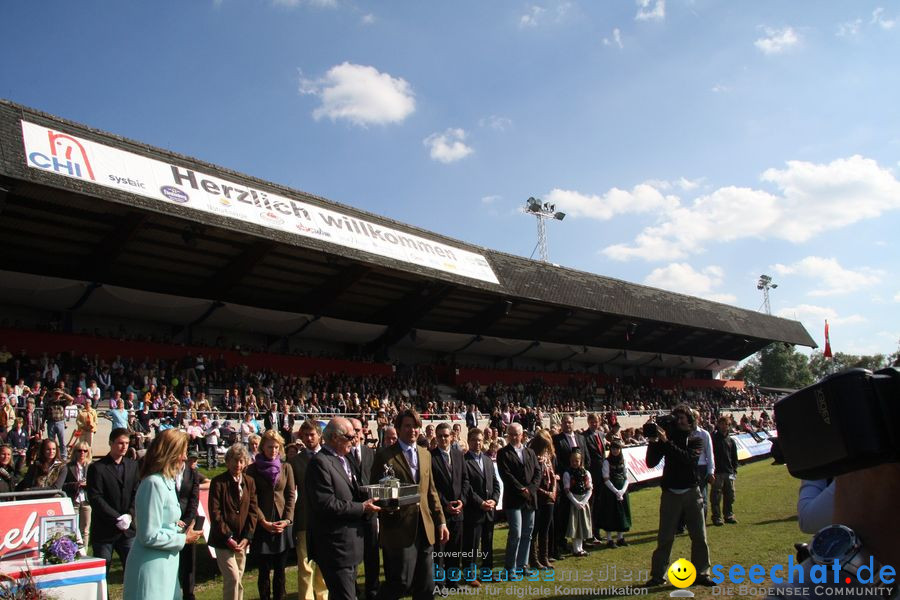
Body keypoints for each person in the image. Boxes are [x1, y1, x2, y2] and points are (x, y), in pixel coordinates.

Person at [372, 408, 448, 600]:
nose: (412, 430)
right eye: (407, 426)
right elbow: (377, 492)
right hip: (399, 529)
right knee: (401, 583)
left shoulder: (426, 454)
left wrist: (441, 521)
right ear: (398, 428)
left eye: (415, 426)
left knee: (426, 585)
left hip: (425, 527)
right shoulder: (384, 456)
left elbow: (431, 491)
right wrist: (389, 504)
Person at [306, 417, 382, 600]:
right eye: (350, 436)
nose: (355, 439)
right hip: (334, 547)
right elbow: (326, 504)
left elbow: (355, 490)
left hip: (350, 545)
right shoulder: (320, 463)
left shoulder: (345, 459)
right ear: (335, 438)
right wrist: (362, 507)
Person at [122, 429, 203, 600]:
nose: (185, 458)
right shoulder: (153, 483)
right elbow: (148, 535)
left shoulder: (166, 481)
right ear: (171, 453)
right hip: (151, 568)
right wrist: (184, 539)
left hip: (166, 565)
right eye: (182, 452)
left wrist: (178, 528)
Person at [643, 405, 714, 587]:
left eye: (683, 418)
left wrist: (666, 442)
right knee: (665, 537)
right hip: (671, 494)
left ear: (690, 420)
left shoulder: (695, 439)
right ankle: (658, 575)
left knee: (699, 535)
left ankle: (701, 573)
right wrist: (653, 440)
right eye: (677, 418)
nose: (680, 421)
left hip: (691, 491)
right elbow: (651, 463)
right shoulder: (666, 439)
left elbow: (688, 459)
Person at [246, 430, 295, 600]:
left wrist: (287, 519)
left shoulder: (286, 467)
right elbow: (251, 499)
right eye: (269, 447)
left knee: (280, 569)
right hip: (262, 524)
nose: (273, 450)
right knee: (264, 570)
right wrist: (262, 521)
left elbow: (290, 496)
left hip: (282, 524)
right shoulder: (252, 470)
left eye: (276, 447)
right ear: (262, 447)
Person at [87, 427, 141, 575]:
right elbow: (95, 497)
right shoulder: (97, 468)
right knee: (102, 574)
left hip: (128, 530)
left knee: (133, 571)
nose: (124, 447)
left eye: (127, 443)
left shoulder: (133, 465)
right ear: (111, 443)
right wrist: (116, 518)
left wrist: (130, 515)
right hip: (105, 530)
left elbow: (137, 492)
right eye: (120, 443)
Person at [209, 444, 258, 600]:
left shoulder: (249, 481)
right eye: (234, 461)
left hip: (242, 540)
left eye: (241, 461)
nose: (238, 465)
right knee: (233, 578)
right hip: (223, 540)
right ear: (227, 461)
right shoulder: (218, 482)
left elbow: (253, 510)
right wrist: (227, 537)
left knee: (238, 580)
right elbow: (215, 513)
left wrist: (247, 536)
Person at [288, 421, 328, 600]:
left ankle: (323, 596)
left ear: (320, 435)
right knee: (304, 565)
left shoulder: (330, 456)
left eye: (312, 434)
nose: (309, 438)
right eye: (306, 435)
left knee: (323, 563)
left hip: (327, 518)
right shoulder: (295, 461)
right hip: (304, 518)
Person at [497, 422, 541, 576]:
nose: (514, 437)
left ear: (522, 435)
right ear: (507, 435)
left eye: (516, 434)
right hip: (513, 499)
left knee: (527, 533)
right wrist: (521, 489)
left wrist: (531, 489)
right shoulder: (503, 453)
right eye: (511, 434)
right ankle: (510, 568)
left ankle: (523, 565)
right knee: (515, 532)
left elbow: (537, 472)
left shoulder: (530, 452)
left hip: (530, 498)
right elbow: (506, 475)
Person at [463, 427, 500, 584]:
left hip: (489, 510)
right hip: (474, 510)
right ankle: (469, 574)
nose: (477, 443)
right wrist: (481, 503)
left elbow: (495, 482)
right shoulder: (463, 461)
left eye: (479, 440)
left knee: (487, 543)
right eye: (474, 440)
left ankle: (486, 572)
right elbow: (467, 487)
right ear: (469, 441)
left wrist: (494, 500)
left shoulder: (487, 460)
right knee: (471, 545)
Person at [348, 418, 379, 600]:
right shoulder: (342, 455)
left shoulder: (370, 453)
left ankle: (372, 592)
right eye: (352, 431)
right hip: (352, 513)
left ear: (363, 431)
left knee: (372, 555)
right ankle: (352, 590)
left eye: (358, 430)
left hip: (371, 513)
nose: (355, 434)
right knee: (352, 558)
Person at [552, 415, 590, 556]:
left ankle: (581, 541)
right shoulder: (557, 439)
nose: (568, 424)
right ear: (561, 423)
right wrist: (567, 473)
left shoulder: (581, 438)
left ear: (573, 423)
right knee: (565, 514)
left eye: (570, 422)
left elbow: (586, 457)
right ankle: (561, 543)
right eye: (565, 422)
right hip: (566, 481)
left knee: (581, 513)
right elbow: (557, 461)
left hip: (581, 481)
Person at [176, 451, 206, 600]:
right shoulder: (164, 472)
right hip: (170, 524)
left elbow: (194, 499)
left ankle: (189, 594)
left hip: (188, 523)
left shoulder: (192, 473)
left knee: (189, 563)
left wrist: (187, 522)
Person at [528, 430, 556, 570]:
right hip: (539, 497)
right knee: (536, 530)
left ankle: (544, 557)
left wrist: (553, 491)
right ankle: (534, 559)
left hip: (550, 497)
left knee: (545, 529)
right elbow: (533, 481)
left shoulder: (548, 457)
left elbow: (553, 475)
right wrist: (547, 493)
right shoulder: (533, 457)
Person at [597, 440, 631, 547]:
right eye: (613, 449)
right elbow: (606, 478)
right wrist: (616, 491)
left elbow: (626, 477)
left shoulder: (623, 460)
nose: (615, 451)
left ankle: (620, 538)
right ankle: (609, 539)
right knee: (610, 514)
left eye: (617, 448)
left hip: (622, 490)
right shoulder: (607, 462)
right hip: (610, 491)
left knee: (621, 513)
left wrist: (622, 491)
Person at [562, 449, 592, 556]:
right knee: (575, 525)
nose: (575, 463)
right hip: (573, 501)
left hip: (583, 500)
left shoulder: (586, 473)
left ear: (580, 461)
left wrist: (584, 501)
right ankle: (576, 548)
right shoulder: (567, 473)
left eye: (577, 461)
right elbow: (567, 490)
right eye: (573, 461)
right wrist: (576, 502)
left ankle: (580, 548)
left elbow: (589, 488)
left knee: (582, 524)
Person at [710, 415, 738, 526]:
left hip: (729, 472)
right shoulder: (713, 439)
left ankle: (729, 515)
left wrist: (734, 470)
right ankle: (716, 517)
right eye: (722, 424)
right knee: (716, 496)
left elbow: (734, 457)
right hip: (717, 472)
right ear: (718, 425)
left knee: (730, 496)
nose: (724, 426)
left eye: (726, 424)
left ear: (729, 426)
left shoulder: (731, 440)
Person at [63, 441, 92, 548]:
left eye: (85, 451)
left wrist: (87, 484)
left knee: (85, 529)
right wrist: (76, 484)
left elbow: (96, 484)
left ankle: (84, 552)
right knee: (72, 528)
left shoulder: (91, 466)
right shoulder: (69, 466)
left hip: (86, 501)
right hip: (74, 500)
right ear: (75, 452)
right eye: (79, 450)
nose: (82, 453)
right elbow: (63, 485)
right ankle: (71, 550)